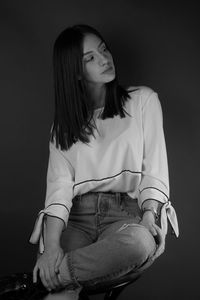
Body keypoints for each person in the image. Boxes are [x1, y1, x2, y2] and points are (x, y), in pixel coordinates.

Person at [29, 24, 179, 300]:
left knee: (138, 244)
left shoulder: (143, 101)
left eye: (104, 50)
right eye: (90, 58)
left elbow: (154, 171)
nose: (105, 59)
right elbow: (59, 189)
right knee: (61, 294)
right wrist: (51, 248)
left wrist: (149, 217)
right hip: (76, 219)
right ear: (74, 71)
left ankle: (39, 282)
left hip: (124, 216)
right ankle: (57, 280)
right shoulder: (63, 126)